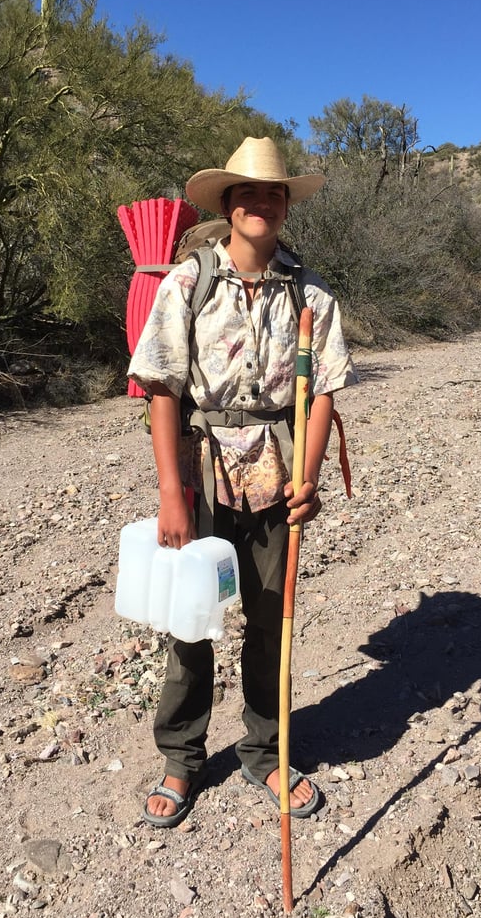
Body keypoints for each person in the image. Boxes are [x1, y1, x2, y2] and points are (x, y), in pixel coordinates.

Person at [128, 136, 358, 828]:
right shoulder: (188, 283)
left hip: (277, 467)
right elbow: (161, 388)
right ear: (228, 205)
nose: (262, 203)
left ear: (286, 205)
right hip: (202, 471)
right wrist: (172, 493)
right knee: (190, 620)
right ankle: (182, 757)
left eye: (275, 193)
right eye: (249, 193)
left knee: (269, 622)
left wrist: (309, 478)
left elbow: (322, 395)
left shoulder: (311, 293)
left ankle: (266, 752)